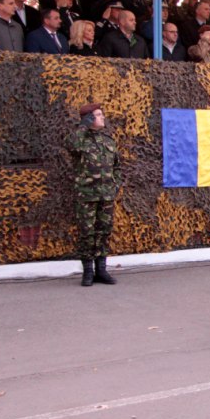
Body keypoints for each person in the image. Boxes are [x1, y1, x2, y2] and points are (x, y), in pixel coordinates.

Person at [66, 103, 120, 287]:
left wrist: (116, 184)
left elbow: (117, 166)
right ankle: (88, 271)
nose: (103, 117)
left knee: (104, 231)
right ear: (88, 118)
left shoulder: (108, 141)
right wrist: (82, 126)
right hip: (87, 195)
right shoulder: (80, 139)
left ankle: (101, 270)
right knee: (86, 233)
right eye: (98, 115)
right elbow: (72, 146)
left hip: (106, 195)